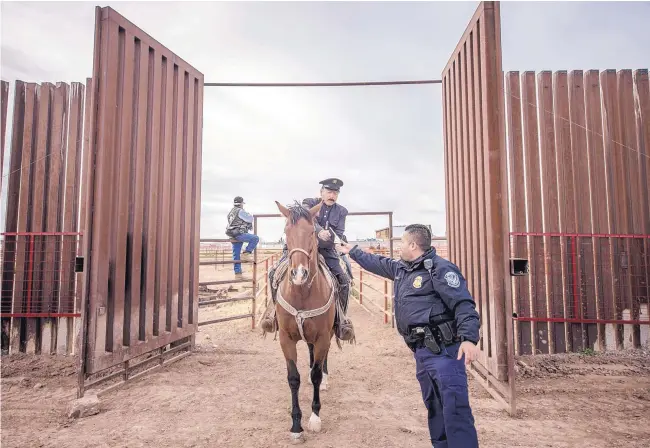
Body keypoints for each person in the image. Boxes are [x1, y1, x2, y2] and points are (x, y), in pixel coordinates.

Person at [338, 224, 480, 447]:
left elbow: (463, 304)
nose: (399, 247)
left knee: (455, 409)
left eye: (402, 242)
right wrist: (353, 251)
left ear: (413, 244)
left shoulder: (441, 269)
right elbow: (379, 264)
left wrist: (469, 339)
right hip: (422, 351)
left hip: (445, 352)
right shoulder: (403, 268)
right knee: (434, 407)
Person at [262, 178, 354, 341]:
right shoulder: (309, 203)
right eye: (329, 191)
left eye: (335, 192)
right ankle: (275, 313)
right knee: (273, 273)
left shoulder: (342, 211)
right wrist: (318, 231)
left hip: (326, 250)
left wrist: (329, 236)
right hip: (301, 248)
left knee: (344, 280)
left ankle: (341, 320)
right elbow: (303, 218)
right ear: (321, 192)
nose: (332, 195)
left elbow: (338, 232)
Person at [225, 196, 259, 279]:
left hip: (232, 234)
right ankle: (246, 253)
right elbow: (250, 219)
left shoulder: (230, 212)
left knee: (236, 254)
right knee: (255, 238)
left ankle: (238, 274)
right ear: (241, 204)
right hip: (239, 233)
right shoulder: (240, 211)